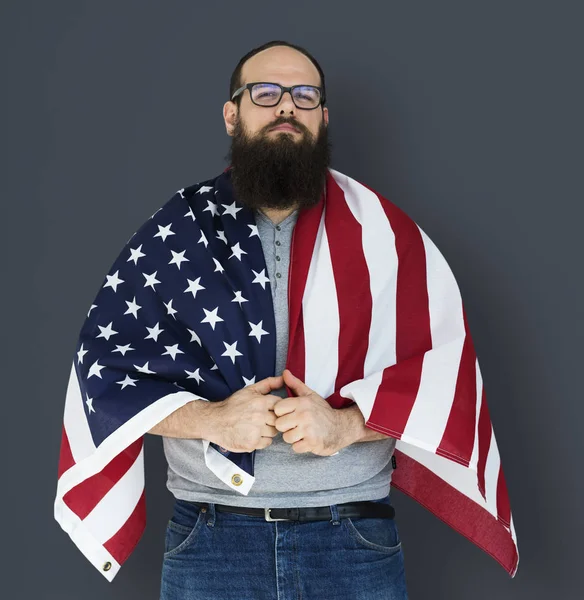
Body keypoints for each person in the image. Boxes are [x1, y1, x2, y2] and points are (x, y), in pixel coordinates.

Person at [54, 39, 518, 600]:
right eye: (265, 93)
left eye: (304, 96)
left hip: (351, 540)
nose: (286, 108)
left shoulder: (387, 237)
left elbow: (447, 380)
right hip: (211, 542)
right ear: (233, 114)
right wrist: (212, 420)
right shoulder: (175, 232)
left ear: (323, 117)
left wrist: (345, 426)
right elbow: (103, 380)